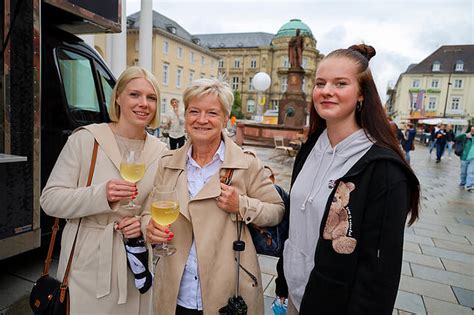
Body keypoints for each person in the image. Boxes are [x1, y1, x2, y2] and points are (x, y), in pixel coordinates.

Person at [274, 44, 420, 314]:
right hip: (297, 297)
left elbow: (379, 273)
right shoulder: (309, 148)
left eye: (340, 83)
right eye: (321, 83)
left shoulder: (384, 170)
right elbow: (295, 227)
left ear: (361, 94)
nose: (326, 90)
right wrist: (283, 281)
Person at [145, 78, 285, 314]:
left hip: (227, 290)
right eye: (194, 111)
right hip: (176, 288)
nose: (201, 120)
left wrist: (241, 204)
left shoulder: (245, 163)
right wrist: (149, 226)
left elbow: (277, 210)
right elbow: (150, 211)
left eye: (212, 113)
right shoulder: (167, 163)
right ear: (186, 115)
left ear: (224, 119)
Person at [40, 66, 167, 314]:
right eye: (134, 95)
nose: (143, 104)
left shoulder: (161, 152)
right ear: (118, 97)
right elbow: (50, 200)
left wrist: (143, 223)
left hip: (134, 261)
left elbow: (157, 207)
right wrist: (102, 195)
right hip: (87, 260)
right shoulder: (86, 139)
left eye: (151, 98)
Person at [455, 126, 474, 191]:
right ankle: (463, 183)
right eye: (472, 130)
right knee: (463, 172)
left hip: (473, 158)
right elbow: (456, 138)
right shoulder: (466, 136)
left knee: (471, 172)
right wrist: (464, 134)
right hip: (464, 157)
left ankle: (469, 185)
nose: (473, 131)